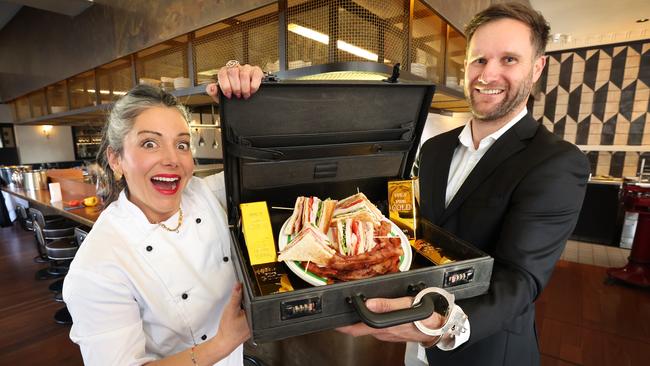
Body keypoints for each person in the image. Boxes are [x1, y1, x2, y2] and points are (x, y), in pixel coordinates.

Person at [338, 3, 590, 366]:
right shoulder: (436, 148)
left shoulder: (556, 161)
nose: (488, 74)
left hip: (483, 348)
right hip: (418, 339)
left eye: (508, 60)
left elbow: (520, 278)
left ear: (537, 68)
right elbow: (421, 230)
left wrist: (445, 326)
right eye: (478, 60)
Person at [63, 62, 263, 365]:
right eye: (149, 143)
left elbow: (269, 169)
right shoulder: (96, 268)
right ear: (116, 160)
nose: (172, 159)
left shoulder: (205, 194)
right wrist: (221, 344)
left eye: (182, 144)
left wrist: (248, 106)